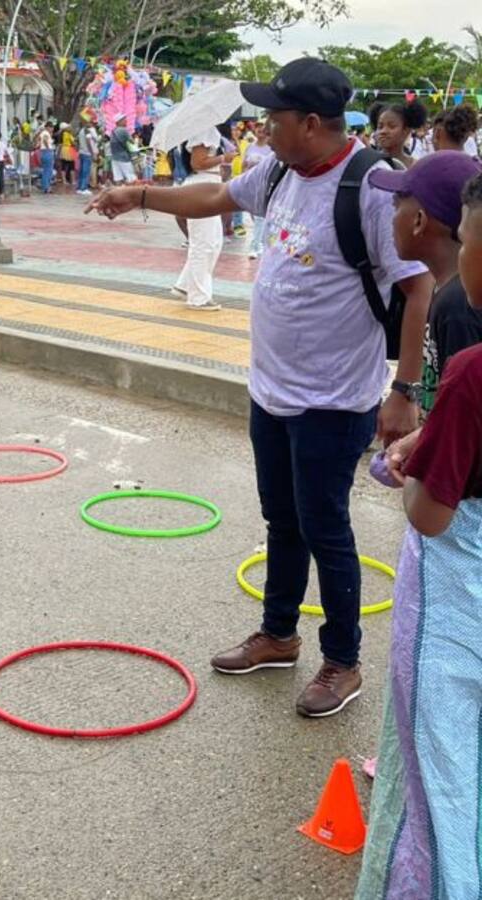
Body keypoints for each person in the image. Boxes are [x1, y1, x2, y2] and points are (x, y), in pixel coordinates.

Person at [89, 57, 434, 717]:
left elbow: (417, 286)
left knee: (325, 526)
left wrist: (405, 389)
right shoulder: (279, 169)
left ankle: (342, 659)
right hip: (271, 390)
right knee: (282, 518)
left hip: (334, 400)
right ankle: (279, 634)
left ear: (309, 122)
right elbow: (215, 198)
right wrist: (141, 194)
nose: (261, 126)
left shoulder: (369, 186)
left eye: (273, 117)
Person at [355, 171, 482, 899]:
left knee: (439, 773)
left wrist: (414, 467)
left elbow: (431, 514)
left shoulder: (467, 355)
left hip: (457, 582)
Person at [371, 152, 482, 413]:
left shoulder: (457, 307)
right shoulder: (448, 292)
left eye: (397, 205)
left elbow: (465, 417)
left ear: (419, 221)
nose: (392, 216)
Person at [169, 127, 229, 312]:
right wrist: (224, 158)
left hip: (206, 184)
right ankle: (199, 297)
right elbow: (198, 162)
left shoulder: (206, 129)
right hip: (203, 185)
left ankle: (185, 285)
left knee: (211, 242)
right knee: (205, 243)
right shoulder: (204, 130)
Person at [242, 121, 274, 259]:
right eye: (257, 127)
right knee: (256, 216)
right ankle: (264, 241)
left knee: (260, 217)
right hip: (251, 185)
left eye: (263, 127)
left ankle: (256, 246)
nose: (260, 130)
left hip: (266, 185)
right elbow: (244, 164)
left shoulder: (272, 148)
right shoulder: (250, 147)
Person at [372, 100, 428, 170]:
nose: (383, 131)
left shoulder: (418, 167)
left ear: (406, 131)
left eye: (392, 126)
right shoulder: (368, 163)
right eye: (380, 126)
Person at [109, 115, 135, 184]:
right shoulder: (123, 130)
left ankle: (119, 192)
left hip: (114, 157)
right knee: (131, 177)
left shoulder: (113, 131)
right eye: (124, 120)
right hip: (124, 158)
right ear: (119, 122)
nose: (126, 121)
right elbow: (132, 142)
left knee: (118, 178)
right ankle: (131, 193)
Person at [76, 123, 97, 196]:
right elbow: (89, 142)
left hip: (82, 152)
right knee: (86, 171)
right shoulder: (87, 131)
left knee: (82, 171)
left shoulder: (81, 130)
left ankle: (79, 187)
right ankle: (84, 188)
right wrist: (92, 153)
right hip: (87, 153)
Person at [35, 121, 55, 194]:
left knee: (46, 171)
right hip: (47, 152)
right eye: (51, 127)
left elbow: (38, 141)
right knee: (48, 171)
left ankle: (45, 186)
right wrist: (48, 148)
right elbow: (45, 140)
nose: (52, 129)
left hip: (43, 152)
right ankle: (46, 187)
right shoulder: (46, 133)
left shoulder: (42, 133)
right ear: (48, 127)